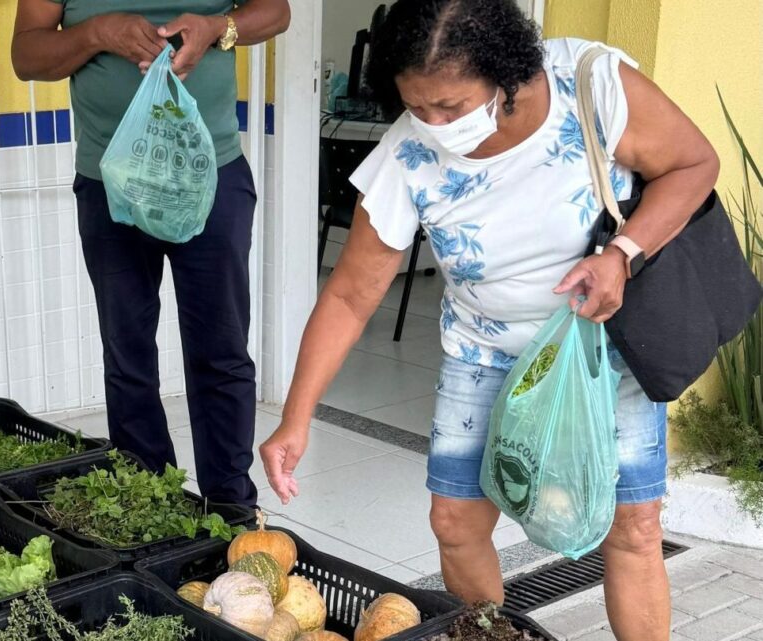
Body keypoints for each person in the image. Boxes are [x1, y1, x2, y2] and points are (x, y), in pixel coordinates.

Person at [258, 1, 718, 639]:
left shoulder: (589, 83)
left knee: (632, 527)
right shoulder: (407, 156)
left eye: (449, 107)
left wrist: (622, 254)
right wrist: (294, 418)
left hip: (602, 349)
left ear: (505, 75)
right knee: (455, 523)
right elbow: (348, 297)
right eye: (416, 107)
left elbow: (694, 164)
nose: (434, 123)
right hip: (486, 351)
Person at [12, 0, 290, 506]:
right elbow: (27, 54)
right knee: (128, 351)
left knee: (221, 352)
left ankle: (229, 511)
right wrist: (97, 33)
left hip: (211, 177)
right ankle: (149, 506)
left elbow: (276, 12)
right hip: (108, 183)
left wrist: (216, 28)